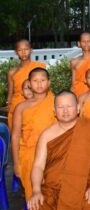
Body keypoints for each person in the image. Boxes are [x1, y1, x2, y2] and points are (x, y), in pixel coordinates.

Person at [11, 68, 55, 199]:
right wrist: (16, 164)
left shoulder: (56, 103)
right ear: (29, 83)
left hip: (53, 154)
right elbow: (15, 136)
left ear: (49, 82)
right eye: (35, 81)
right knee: (33, 196)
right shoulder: (21, 107)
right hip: (29, 156)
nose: (39, 84)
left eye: (43, 80)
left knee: (54, 195)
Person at [7, 39, 45, 131]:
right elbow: (10, 93)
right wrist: (9, 104)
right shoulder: (12, 72)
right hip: (17, 104)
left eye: (26, 49)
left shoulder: (39, 67)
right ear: (16, 53)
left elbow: (44, 87)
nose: (23, 52)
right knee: (17, 132)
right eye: (20, 50)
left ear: (31, 50)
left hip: (35, 103)